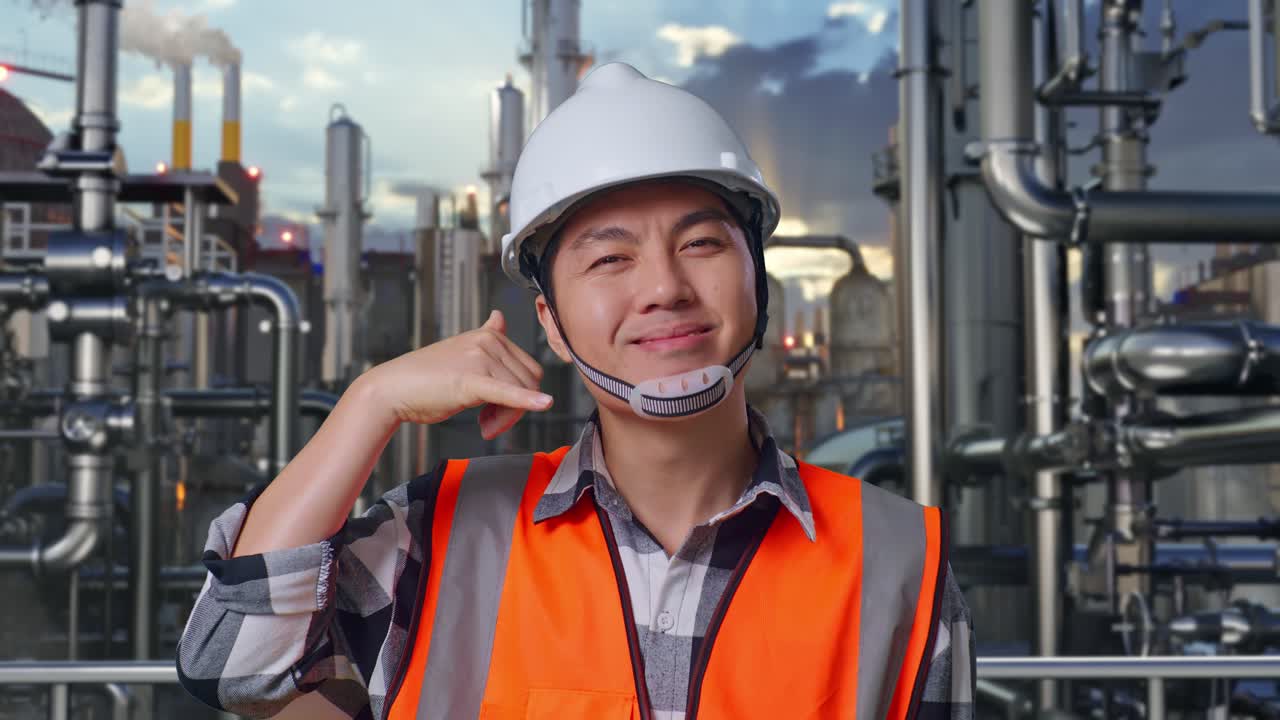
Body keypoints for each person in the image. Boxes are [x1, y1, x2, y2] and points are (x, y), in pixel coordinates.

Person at [177, 62, 975, 720]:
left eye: (701, 243)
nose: (665, 287)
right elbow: (230, 662)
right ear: (551, 324)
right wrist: (371, 400)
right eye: (609, 259)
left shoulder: (899, 559)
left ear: (758, 282)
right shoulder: (441, 534)